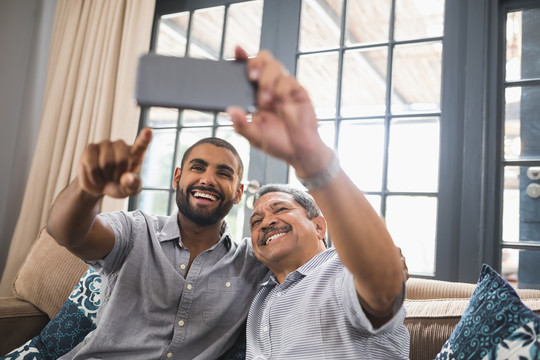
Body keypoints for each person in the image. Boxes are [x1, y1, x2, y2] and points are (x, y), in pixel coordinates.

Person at [226, 47, 410, 358]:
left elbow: (383, 289)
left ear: (319, 224)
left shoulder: (341, 267)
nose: (266, 221)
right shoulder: (259, 298)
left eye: (280, 209)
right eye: (255, 221)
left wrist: (314, 163)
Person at [46, 135, 269, 359]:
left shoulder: (252, 260)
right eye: (198, 167)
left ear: (238, 193)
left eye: (223, 173)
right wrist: (88, 188)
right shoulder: (135, 229)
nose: (207, 180)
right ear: (177, 178)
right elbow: (66, 233)